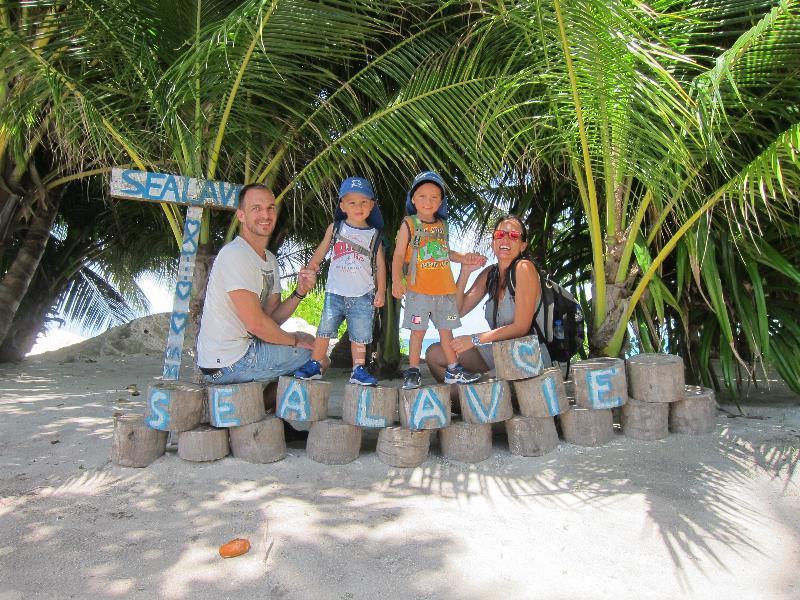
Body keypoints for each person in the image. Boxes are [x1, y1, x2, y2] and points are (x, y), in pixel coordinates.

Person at [196, 184, 321, 391]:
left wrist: (300, 292)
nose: (265, 214)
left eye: (270, 208)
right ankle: (259, 412)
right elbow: (256, 325)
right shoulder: (234, 254)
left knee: (313, 344)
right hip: (227, 362)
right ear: (241, 215)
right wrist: (295, 341)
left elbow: (271, 319)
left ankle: (266, 415)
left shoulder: (270, 260)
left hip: (248, 350)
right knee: (318, 359)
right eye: (256, 208)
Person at [425, 214, 552, 384]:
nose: (505, 239)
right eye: (500, 234)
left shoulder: (524, 268)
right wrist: (465, 273)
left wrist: (474, 339)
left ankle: (481, 392)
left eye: (514, 236)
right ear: (493, 241)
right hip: (498, 352)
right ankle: (481, 391)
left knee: (458, 393)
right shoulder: (490, 274)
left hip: (528, 355)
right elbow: (456, 312)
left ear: (523, 245)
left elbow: (521, 327)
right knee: (434, 354)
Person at [391, 171, 487, 389]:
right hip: (418, 291)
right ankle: (413, 370)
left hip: (445, 292)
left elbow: (446, 252)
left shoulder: (442, 225)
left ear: (441, 201)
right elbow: (398, 255)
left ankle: (454, 369)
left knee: (447, 331)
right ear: (413, 199)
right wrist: (397, 280)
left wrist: (466, 258)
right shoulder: (409, 223)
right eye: (422, 196)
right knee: (417, 332)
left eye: (435, 197)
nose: (428, 201)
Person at [293, 176, 386, 385]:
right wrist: (311, 268)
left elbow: (381, 265)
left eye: (364, 202)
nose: (358, 206)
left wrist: (381, 292)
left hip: (363, 293)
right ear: (342, 205)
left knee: (360, 335)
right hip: (335, 292)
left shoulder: (374, 234)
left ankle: (358, 369)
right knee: (324, 329)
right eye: (352, 202)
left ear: (371, 205)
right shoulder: (336, 228)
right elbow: (321, 251)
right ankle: (315, 363)